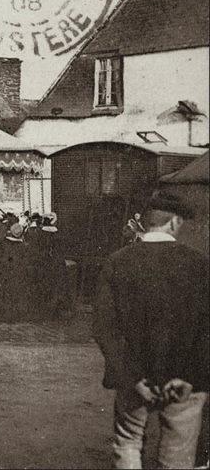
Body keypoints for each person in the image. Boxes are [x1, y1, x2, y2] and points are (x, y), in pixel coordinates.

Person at [93, 192, 209, 469]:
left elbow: (104, 327)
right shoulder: (200, 265)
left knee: (128, 444)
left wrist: (133, 378)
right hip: (185, 384)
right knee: (177, 456)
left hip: (134, 381)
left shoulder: (117, 261)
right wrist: (190, 375)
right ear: (174, 222)